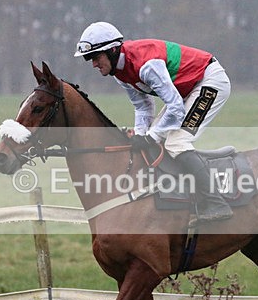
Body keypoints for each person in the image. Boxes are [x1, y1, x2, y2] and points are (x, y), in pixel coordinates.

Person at [74, 21, 233, 222]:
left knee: (176, 142)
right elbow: (143, 106)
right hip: (186, 90)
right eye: (90, 59)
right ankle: (180, 195)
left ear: (113, 50)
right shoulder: (119, 73)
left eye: (95, 57)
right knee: (157, 139)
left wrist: (150, 136)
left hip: (209, 82)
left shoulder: (146, 64)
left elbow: (174, 107)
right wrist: (140, 135)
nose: (94, 64)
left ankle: (216, 202)